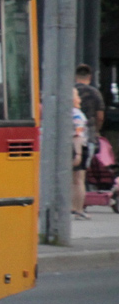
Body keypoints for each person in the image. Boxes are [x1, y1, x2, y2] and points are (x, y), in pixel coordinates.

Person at [75, 64, 105, 170]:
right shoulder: (95, 93)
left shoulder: (71, 91)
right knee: (83, 171)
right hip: (89, 136)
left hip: (72, 136)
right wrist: (97, 130)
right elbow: (100, 116)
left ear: (75, 76)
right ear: (90, 77)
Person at [72, 89, 89, 220]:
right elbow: (78, 135)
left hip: (70, 147)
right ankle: (78, 209)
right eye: (77, 96)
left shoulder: (62, 113)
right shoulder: (77, 115)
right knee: (78, 180)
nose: (80, 99)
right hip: (77, 147)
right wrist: (78, 154)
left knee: (73, 180)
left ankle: (73, 207)